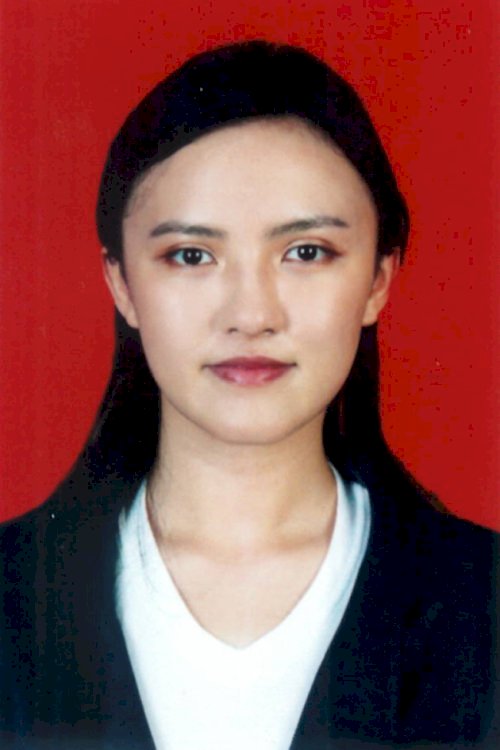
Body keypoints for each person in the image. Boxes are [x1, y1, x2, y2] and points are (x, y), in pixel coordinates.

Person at [0, 40, 497, 749]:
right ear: (122, 283)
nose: (252, 313)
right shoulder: (15, 596)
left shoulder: (484, 604)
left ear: (379, 279)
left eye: (306, 252)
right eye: (191, 256)